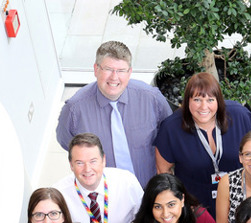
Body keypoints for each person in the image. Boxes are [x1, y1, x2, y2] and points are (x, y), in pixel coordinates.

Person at [56, 40, 172, 188]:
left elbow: (169, 135)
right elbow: (66, 142)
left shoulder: (152, 99)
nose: (114, 77)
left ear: (129, 72)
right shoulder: (74, 110)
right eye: (108, 69)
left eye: (121, 70)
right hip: (106, 194)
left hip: (149, 189)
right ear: (96, 69)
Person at [154, 72, 251, 214]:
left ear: (219, 101)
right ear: (187, 101)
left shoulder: (238, 115)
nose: (204, 107)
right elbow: (163, 172)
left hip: (239, 199)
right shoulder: (171, 128)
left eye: (210, 100)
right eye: (197, 99)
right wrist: (177, 205)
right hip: (195, 205)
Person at [53, 133, 144, 223]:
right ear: (71, 165)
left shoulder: (127, 183)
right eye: (80, 163)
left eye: (93, 161)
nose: (87, 169)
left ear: (103, 160)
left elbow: (146, 220)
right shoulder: (58, 194)